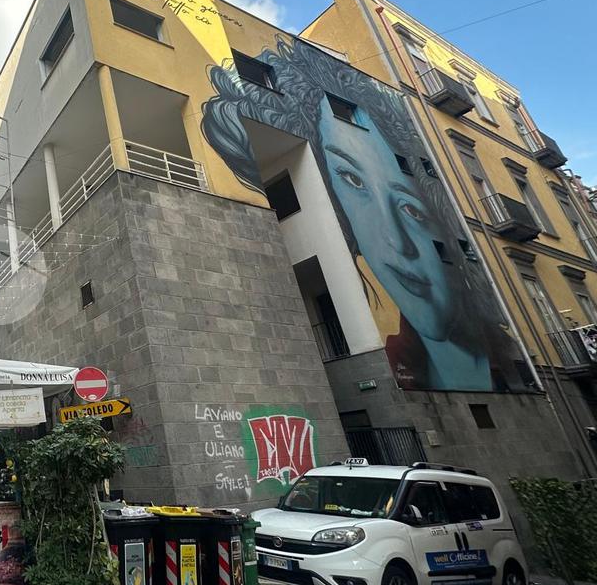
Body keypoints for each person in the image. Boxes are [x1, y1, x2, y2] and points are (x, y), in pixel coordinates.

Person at [201, 37, 525, 392]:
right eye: (352, 180)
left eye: (410, 208)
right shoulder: (397, 356)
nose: (397, 243)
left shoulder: (505, 358)